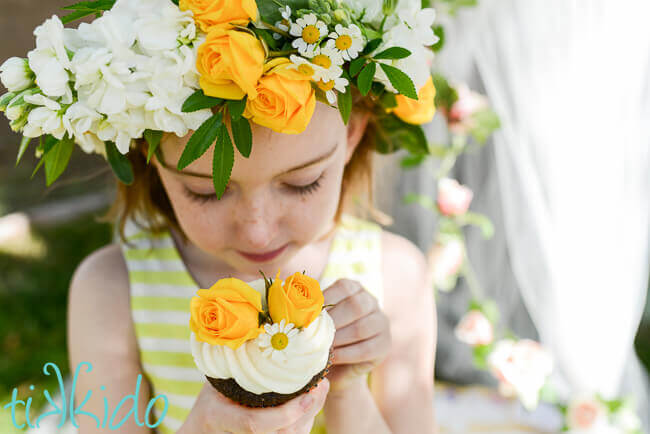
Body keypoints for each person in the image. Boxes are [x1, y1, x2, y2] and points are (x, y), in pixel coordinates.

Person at [66, 100, 437, 433]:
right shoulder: (110, 291)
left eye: (301, 183)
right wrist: (205, 426)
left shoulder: (395, 276)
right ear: (145, 152)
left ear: (352, 132)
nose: (259, 233)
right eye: (206, 191)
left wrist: (345, 390)